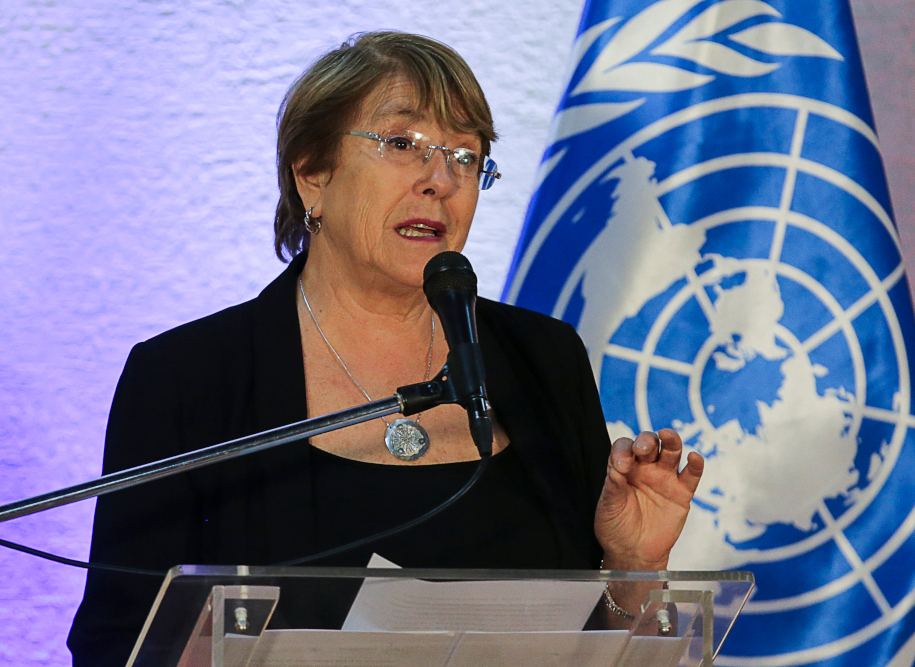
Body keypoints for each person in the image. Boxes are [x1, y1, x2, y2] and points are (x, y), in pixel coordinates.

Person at [67, 31, 704, 665]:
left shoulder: (544, 357)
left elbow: (605, 644)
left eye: (465, 156)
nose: (440, 180)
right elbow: (113, 641)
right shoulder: (188, 377)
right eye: (403, 144)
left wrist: (632, 567)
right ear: (311, 172)